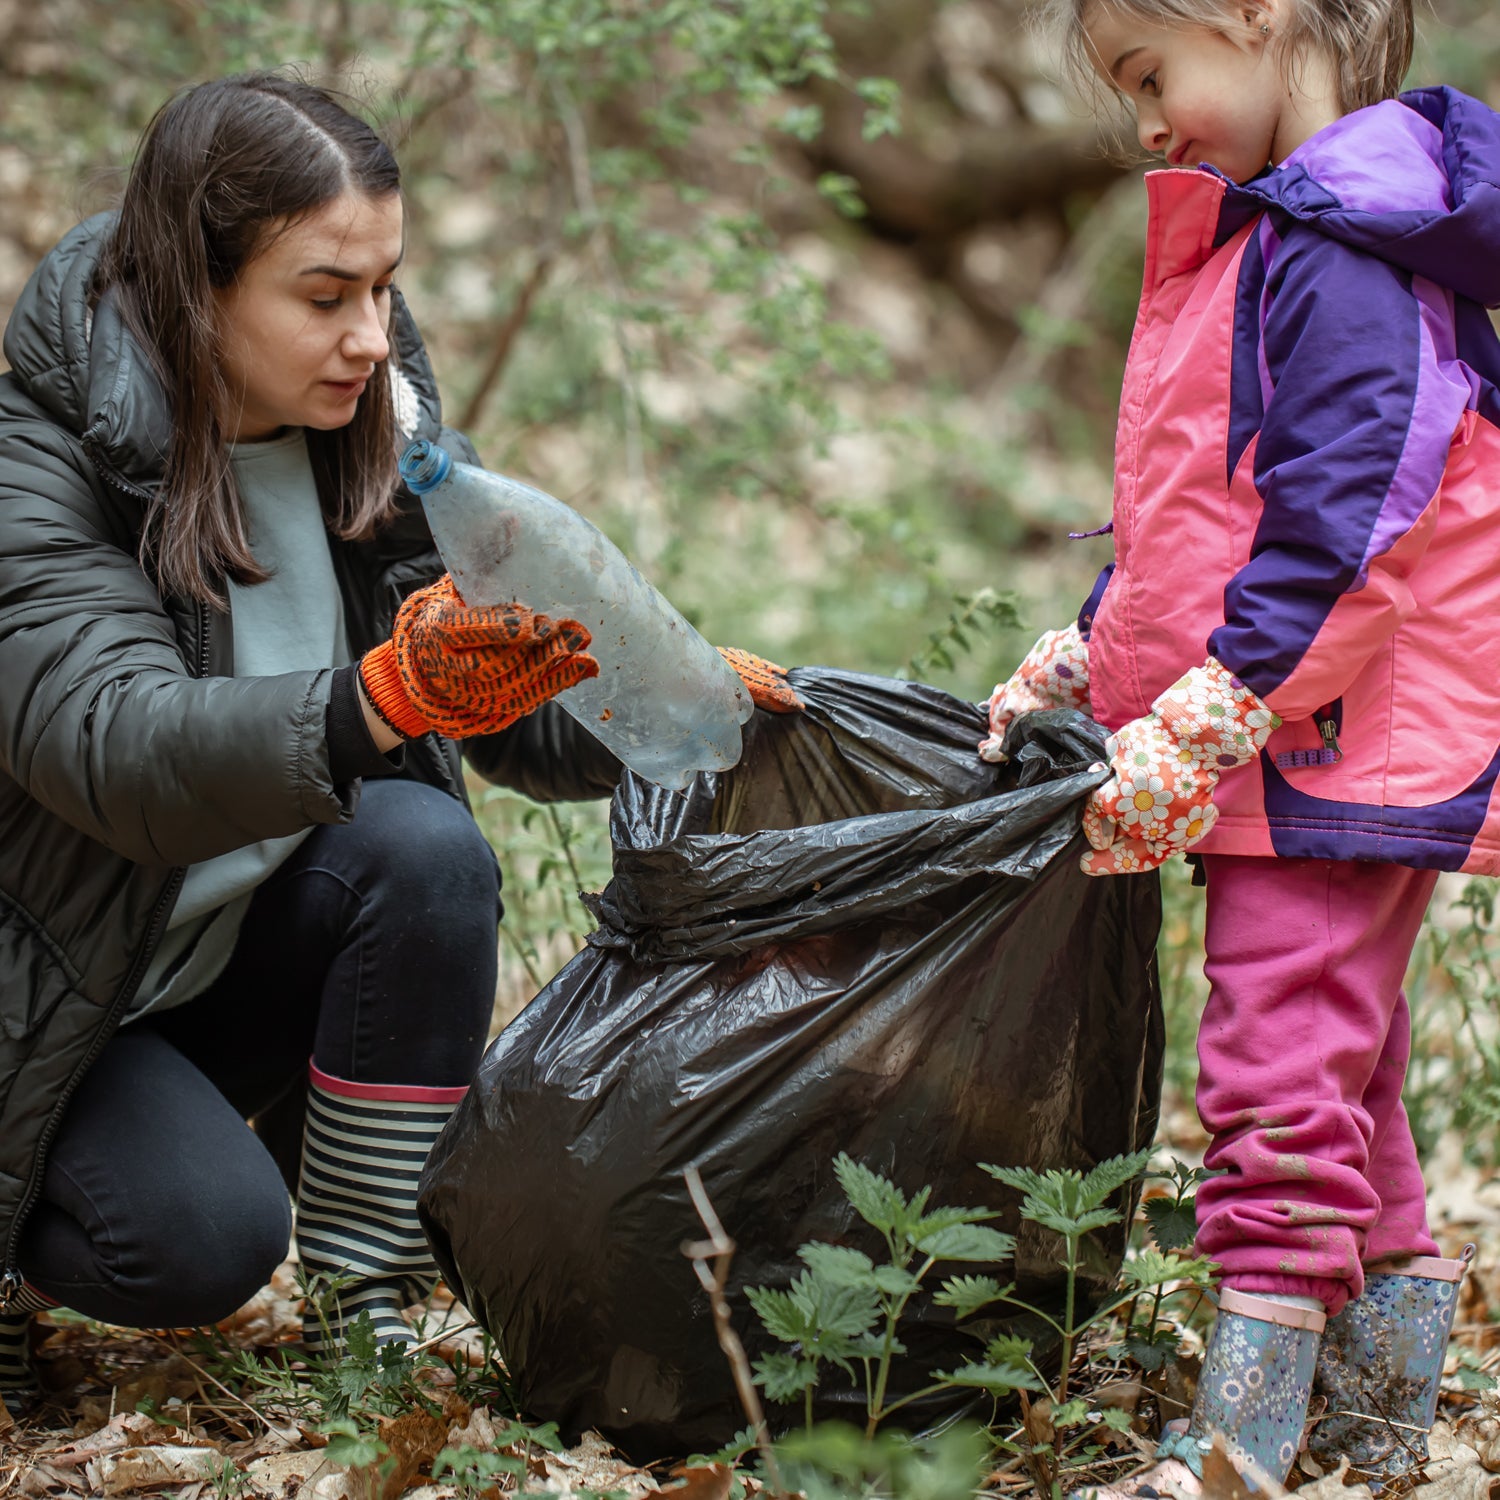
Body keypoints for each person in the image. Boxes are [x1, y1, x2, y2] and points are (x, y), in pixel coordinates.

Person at [0, 70, 797, 1413]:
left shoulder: (374, 437)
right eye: (325, 296)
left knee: (425, 851)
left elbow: (513, 714)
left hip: (201, 959)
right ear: (197, 290)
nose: (370, 336)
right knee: (196, 1243)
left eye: (385, 289)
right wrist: (381, 699)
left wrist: (664, 697)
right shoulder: (41, 460)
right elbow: (116, 747)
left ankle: (363, 1303)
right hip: (43, 998)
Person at [983, 0, 1500, 1490]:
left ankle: (1243, 1446)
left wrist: (1201, 722)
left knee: (1273, 1068)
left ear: (1256, 12)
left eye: (1154, 73)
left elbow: (1348, 535)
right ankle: (1381, 1417)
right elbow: (1203, 523)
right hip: (1309, 723)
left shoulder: (1345, 244)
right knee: (1348, 1065)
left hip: (1343, 734)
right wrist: (1095, 654)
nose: (1146, 121)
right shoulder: (1286, 235)